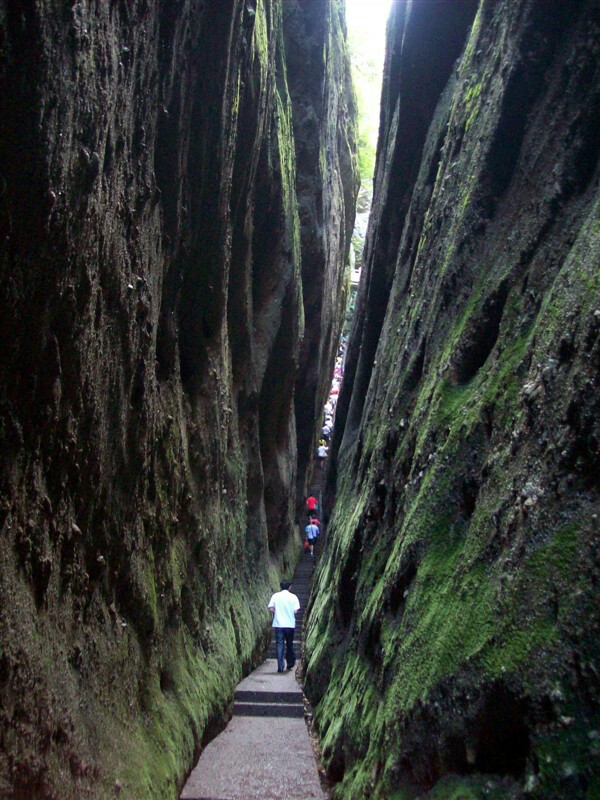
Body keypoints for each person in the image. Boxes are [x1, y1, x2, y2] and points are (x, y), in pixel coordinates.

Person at [268, 580, 300, 672]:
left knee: (279, 645)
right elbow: (296, 610)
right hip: (290, 625)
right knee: (289, 644)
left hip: (278, 624)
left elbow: (270, 608)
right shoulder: (293, 597)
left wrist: (277, 611)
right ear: (289, 587)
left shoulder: (275, 596)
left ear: (281, 587)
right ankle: (290, 663)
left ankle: (280, 666)